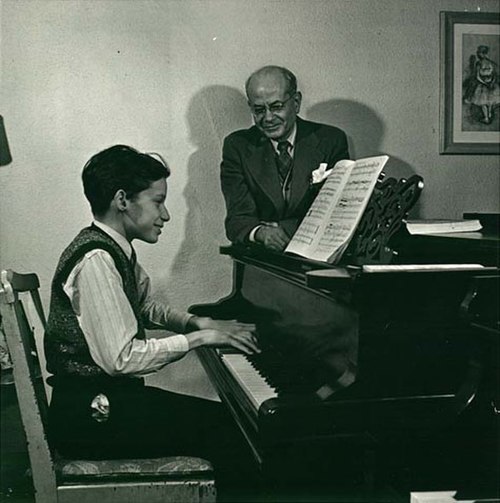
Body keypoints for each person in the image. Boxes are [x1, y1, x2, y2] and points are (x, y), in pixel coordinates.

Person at [44, 145, 260, 497]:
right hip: (90, 419)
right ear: (122, 200)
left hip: (104, 405)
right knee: (232, 432)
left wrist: (196, 323)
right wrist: (199, 340)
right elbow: (121, 358)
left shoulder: (112, 248)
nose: (166, 215)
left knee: (232, 424)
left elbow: (146, 306)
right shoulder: (96, 259)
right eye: (158, 201)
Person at [221, 65, 350, 252]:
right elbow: (237, 219)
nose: (268, 118)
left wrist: (284, 229)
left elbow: (336, 214)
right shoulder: (237, 146)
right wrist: (261, 233)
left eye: (276, 107)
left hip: (316, 257)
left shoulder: (330, 140)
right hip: (262, 261)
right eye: (258, 110)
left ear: (296, 102)